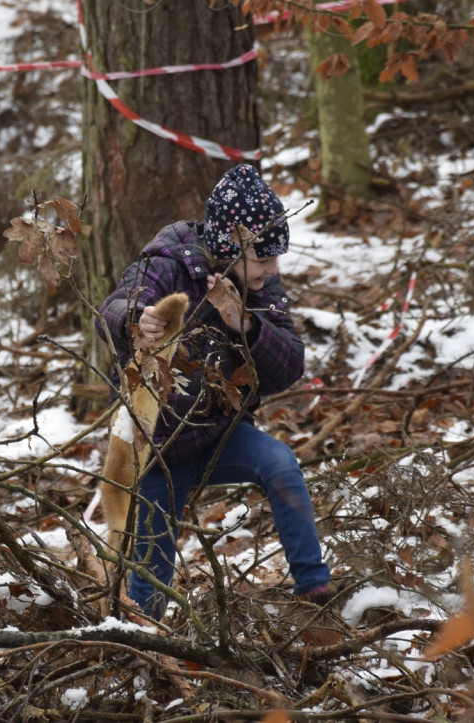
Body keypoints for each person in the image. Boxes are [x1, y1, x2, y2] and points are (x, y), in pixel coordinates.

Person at [98, 163, 331, 617]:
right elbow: (112, 308)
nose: (273, 269)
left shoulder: (260, 285)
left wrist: (242, 322)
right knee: (149, 584)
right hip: (158, 450)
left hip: (221, 435)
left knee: (281, 465)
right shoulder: (168, 263)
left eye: (274, 258)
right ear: (231, 248)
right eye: (264, 259)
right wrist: (137, 319)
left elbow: (290, 366)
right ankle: (145, 641)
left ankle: (315, 590)